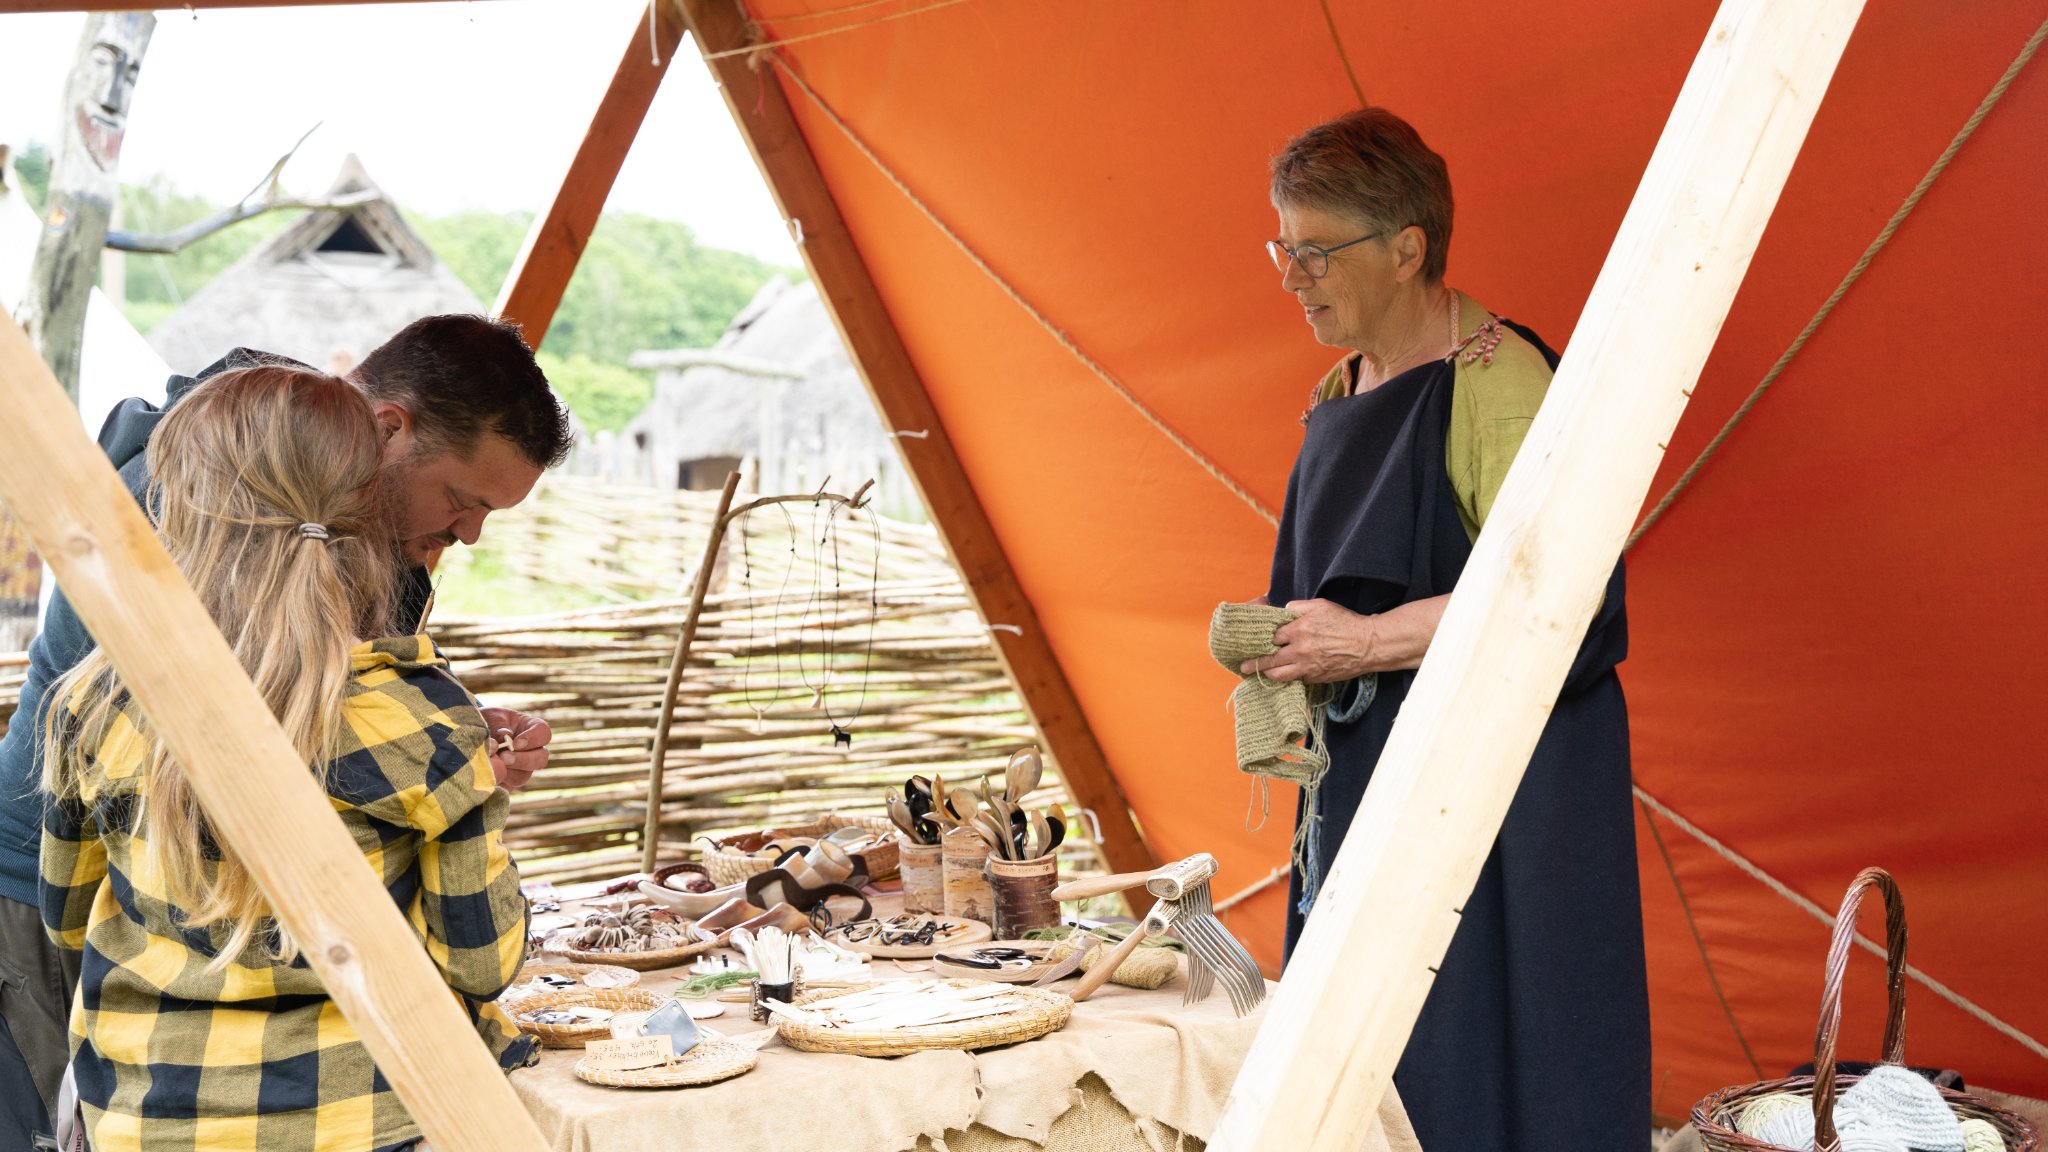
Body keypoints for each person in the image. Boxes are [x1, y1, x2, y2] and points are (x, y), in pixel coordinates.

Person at [0, 314, 570, 1149]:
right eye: (462, 498)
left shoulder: (360, 525)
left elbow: (324, 701)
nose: (469, 533)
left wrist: (441, 748)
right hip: (70, 884)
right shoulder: (203, 487)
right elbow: (196, 751)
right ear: (386, 430)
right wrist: (428, 757)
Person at [1252, 108, 1648, 1150]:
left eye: (1315, 251)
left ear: (1406, 248)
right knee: (1371, 1066)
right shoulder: (1339, 388)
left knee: (1498, 1064)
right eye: (1280, 249)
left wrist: (1363, 645)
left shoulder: (1499, 381)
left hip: (1502, 801)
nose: (1292, 275)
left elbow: (1567, 607)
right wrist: (1281, 663)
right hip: (1368, 786)